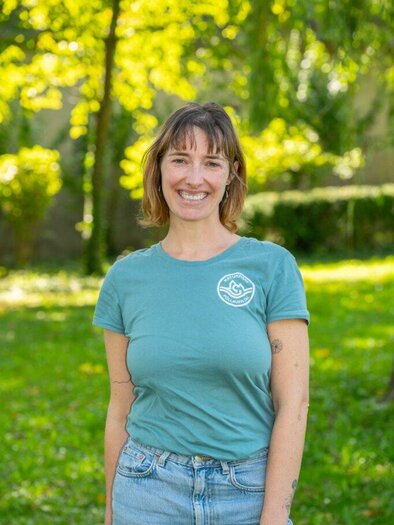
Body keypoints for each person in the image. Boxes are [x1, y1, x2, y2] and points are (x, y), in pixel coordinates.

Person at [92, 102, 310, 525]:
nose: (194, 178)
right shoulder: (125, 278)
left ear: (231, 175)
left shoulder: (271, 266)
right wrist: (111, 513)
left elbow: (294, 404)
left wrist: (273, 517)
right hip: (146, 490)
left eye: (211, 162)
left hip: (247, 491)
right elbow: (120, 408)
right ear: (159, 170)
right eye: (180, 160)